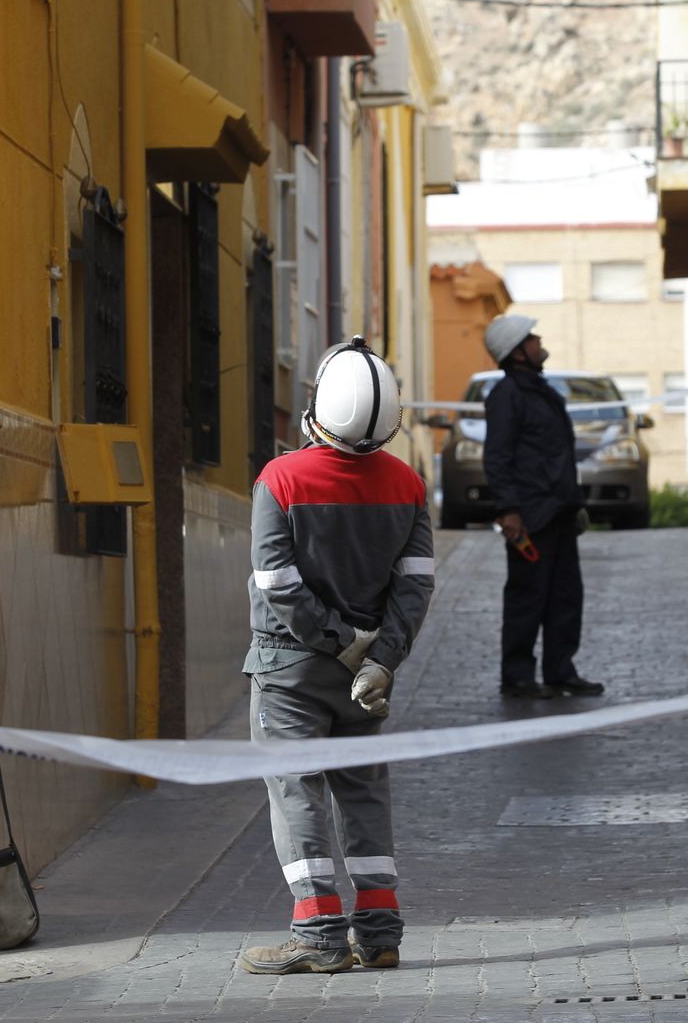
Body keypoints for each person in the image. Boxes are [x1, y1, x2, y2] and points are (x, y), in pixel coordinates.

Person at [238, 337, 435, 976]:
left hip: (289, 668)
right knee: (364, 794)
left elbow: (277, 583)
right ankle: (380, 934)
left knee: (297, 792)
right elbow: (415, 585)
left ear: (319, 403)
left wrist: (336, 641)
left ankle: (319, 934)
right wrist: (380, 660)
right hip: (366, 680)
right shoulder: (407, 484)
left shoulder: (281, 479)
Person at [481, 314, 604, 700]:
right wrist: (510, 511)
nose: (538, 342)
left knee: (566, 596)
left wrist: (574, 502)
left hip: (559, 510)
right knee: (526, 597)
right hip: (531, 515)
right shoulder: (507, 396)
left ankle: (559, 672)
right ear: (516, 352)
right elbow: (497, 458)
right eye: (531, 339)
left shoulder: (540, 391)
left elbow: (556, 453)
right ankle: (517, 676)